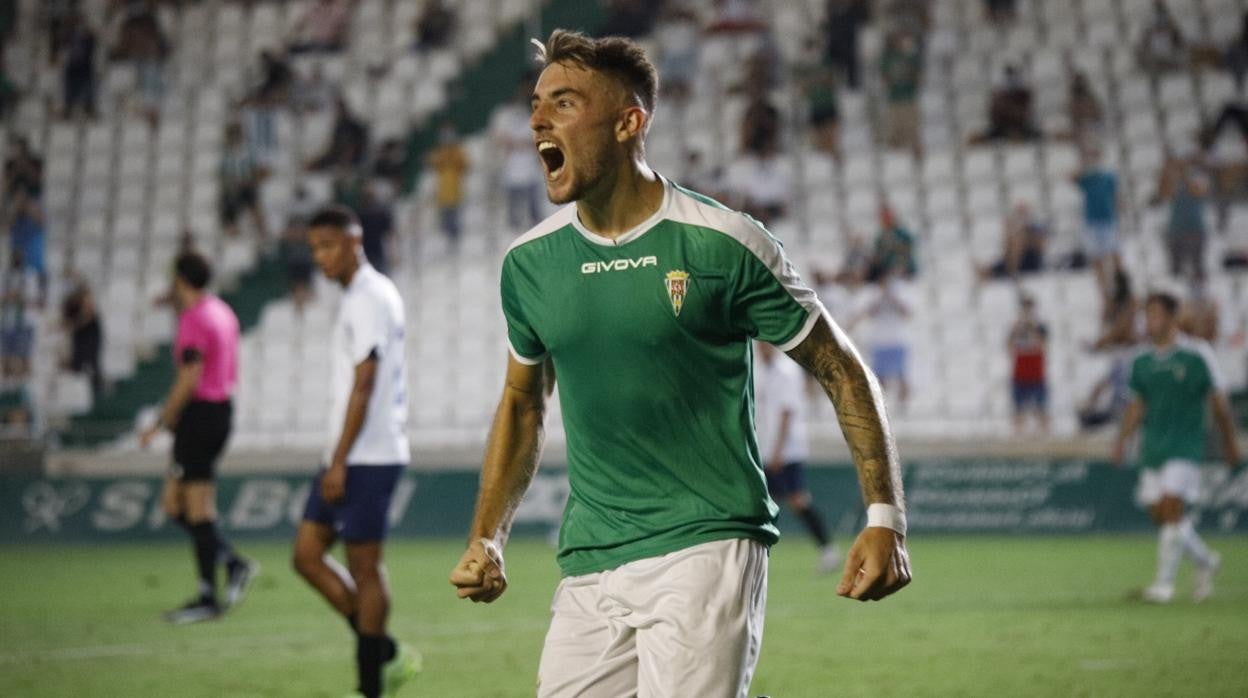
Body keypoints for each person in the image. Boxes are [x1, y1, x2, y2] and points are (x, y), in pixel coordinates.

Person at [449, 31, 911, 697]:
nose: (538, 119)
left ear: (628, 122)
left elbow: (842, 368)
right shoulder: (529, 264)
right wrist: (487, 537)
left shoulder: (724, 243)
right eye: (537, 102)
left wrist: (884, 517)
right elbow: (522, 403)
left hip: (707, 544)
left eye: (566, 102)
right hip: (591, 559)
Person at [293, 206, 420, 698]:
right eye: (314, 249)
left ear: (354, 241)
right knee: (307, 556)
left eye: (327, 246)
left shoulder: (370, 297)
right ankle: (383, 651)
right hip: (347, 453)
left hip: (369, 454)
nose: (320, 258)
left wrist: (341, 459)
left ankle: (370, 684)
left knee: (364, 567)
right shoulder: (357, 298)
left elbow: (365, 384)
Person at [138, 252, 256, 623]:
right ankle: (231, 563)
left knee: (197, 507)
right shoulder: (223, 311)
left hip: (200, 416)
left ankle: (209, 594)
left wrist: (163, 420)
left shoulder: (193, 319)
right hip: (219, 412)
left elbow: (190, 375)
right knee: (174, 505)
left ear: (180, 281)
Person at [1113, 291, 1240, 603]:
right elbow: (1136, 405)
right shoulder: (1140, 360)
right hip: (1153, 444)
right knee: (1161, 514)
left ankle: (1163, 586)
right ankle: (1206, 561)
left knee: (1172, 507)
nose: (1150, 320)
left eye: (1156, 313)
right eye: (1147, 314)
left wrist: (1230, 442)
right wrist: (1122, 440)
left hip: (1185, 443)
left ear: (1172, 317)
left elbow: (1218, 402)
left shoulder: (1197, 355)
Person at [754, 341, 841, 574]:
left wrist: (778, 450)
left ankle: (828, 549)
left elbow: (787, 412)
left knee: (796, 500)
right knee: (763, 502)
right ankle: (758, 553)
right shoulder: (761, 371)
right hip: (766, 448)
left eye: (764, 345)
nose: (760, 349)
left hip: (785, 450)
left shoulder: (786, 371)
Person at [1074, 147, 1120, 299]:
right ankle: (1104, 292)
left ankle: (1119, 287)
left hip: (1108, 221)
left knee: (1113, 255)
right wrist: (1084, 163)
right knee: (1097, 258)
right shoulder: (1087, 177)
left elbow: (1115, 197)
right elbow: (1072, 178)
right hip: (1091, 223)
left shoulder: (1109, 176)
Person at [219, 122, 268, 241]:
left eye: (237, 135)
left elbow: (258, 170)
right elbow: (223, 174)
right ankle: (232, 231)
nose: (234, 138)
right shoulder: (225, 154)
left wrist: (249, 180)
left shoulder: (249, 151)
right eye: (232, 135)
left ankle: (261, 231)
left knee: (251, 198)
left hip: (247, 185)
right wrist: (232, 182)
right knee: (226, 199)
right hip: (233, 187)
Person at [1007, 295, 1049, 433]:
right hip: (1019, 376)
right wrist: (1019, 327)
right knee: (1018, 413)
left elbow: (1042, 346)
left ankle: (1044, 436)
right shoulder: (1016, 329)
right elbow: (1009, 347)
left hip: (1037, 376)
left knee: (1041, 411)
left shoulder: (1041, 328)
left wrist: (1031, 327)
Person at [879, 30, 922, 154]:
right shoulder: (888, 57)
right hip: (895, 100)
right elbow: (885, 78)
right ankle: (896, 163)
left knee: (912, 132)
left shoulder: (912, 57)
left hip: (909, 99)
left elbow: (917, 78)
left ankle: (917, 162)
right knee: (894, 134)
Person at [427, 122, 469, 246]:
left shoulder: (458, 151)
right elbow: (433, 163)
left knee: (455, 217)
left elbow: (465, 165)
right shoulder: (438, 152)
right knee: (445, 219)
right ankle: (448, 240)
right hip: (442, 191)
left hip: (455, 189)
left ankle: (455, 240)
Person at [60, 280, 103, 399]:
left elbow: (87, 318)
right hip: (79, 338)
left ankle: (96, 388)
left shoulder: (89, 307)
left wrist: (75, 324)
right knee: (77, 363)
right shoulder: (71, 305)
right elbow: (68, 322)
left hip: (91, 335)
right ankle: (77, 392)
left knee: (92, 362)